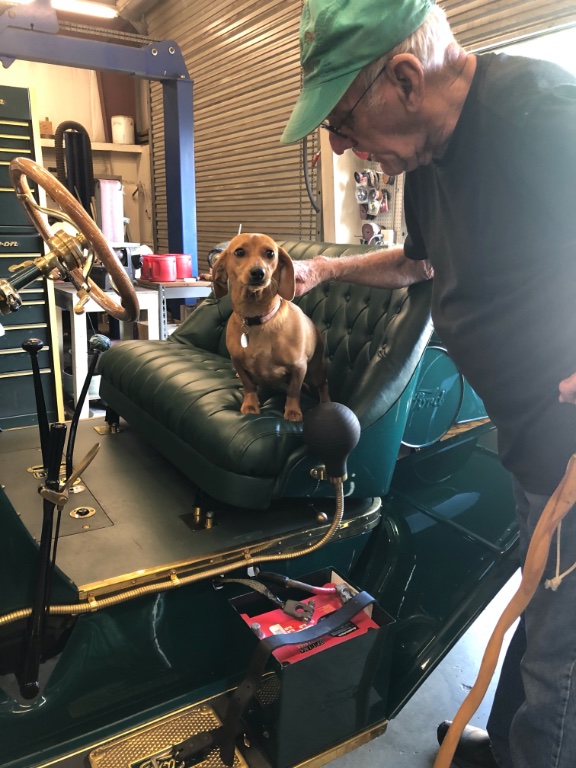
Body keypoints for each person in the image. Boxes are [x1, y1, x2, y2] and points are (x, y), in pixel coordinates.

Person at [280, 1, 576, 767]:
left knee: (561, 663)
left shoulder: (539, 114)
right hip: (530, 439)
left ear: (406, 80)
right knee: (540, 611)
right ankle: (508, 748)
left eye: (342, 120)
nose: (339, 145)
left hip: (571, 449)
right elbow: (418, 262)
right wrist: (326, 268)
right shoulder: (428, 160)